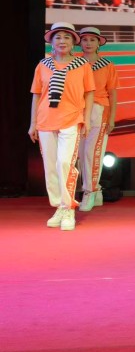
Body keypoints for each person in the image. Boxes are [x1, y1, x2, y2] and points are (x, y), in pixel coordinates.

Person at [30, 22, 95, 231]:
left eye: (66, 37)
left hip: (71, 119)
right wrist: (33, 123)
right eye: (58, 37)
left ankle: (68, 208)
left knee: (65, 163)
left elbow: (89, 94)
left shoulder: (82, 65)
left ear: (73, 42)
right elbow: (37, 95)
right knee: (50, 166)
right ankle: (59, 205)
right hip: (45, 120)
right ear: (51, 41)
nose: (62, 41)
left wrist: (86, 120)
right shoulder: (43, 65)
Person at [76, 27, 118, 211]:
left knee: (92, 153)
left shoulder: (107, 65)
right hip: (76, 111)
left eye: (92, 40)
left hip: (98, 110)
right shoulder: (74, 64)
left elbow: (112, 94)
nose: (88, 43)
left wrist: (112, 118)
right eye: (85, 40)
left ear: (98, 43)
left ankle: (89, 191)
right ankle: (97, 190)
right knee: (81, 154)